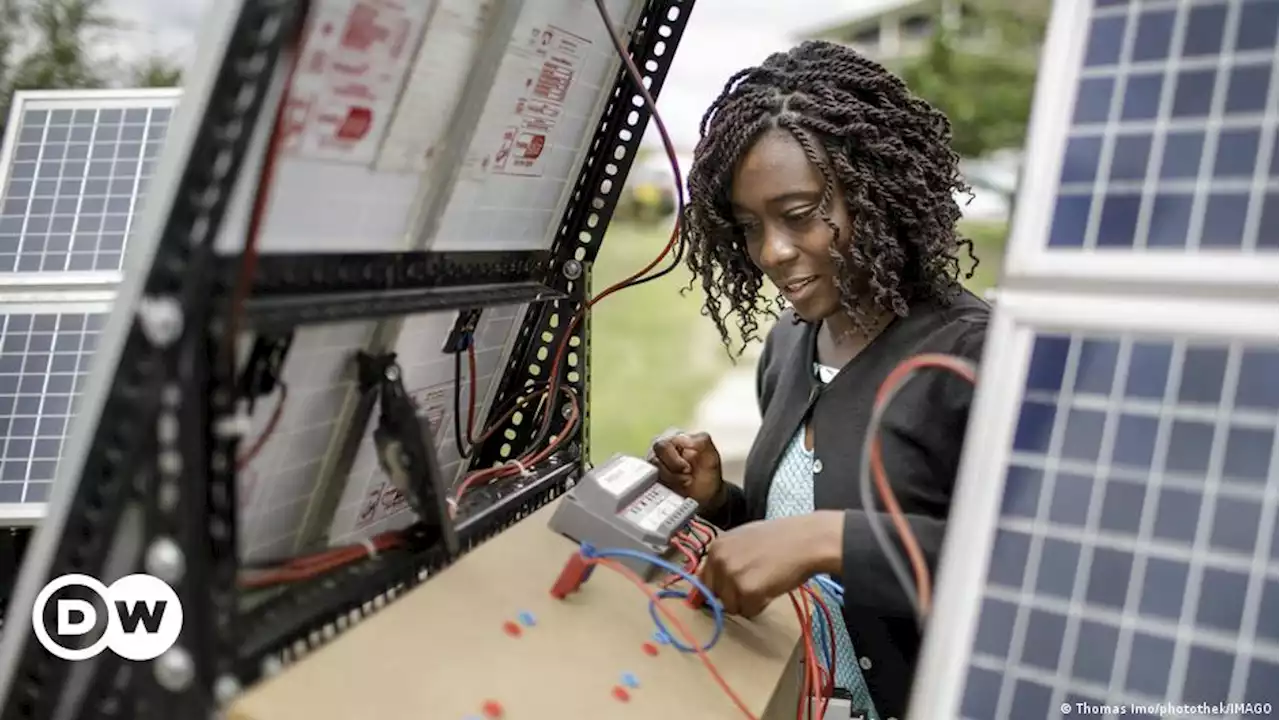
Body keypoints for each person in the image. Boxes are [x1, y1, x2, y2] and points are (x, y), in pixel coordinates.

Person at [649, 40, 990, 720]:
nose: (771, 252)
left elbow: (1033, 567)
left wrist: (828, 539)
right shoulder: (788, 347)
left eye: (800, 215)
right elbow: (787, 538)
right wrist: (720, 504)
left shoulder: (976, 359)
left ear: (878, 194)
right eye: (750, 227)